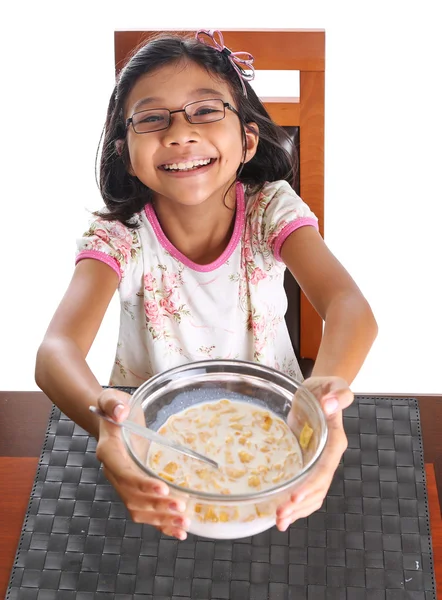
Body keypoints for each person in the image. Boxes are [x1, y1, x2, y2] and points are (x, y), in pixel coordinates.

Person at [35, 29, 378, 541]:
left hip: (278, 429)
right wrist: (108, 420)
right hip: (151, 447)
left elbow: (351, 307)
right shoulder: (118, 237)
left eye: (205, 111)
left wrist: (318, 403)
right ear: (125, 153)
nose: (179, 134)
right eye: (152, 119)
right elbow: (54, 351)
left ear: (248, 140)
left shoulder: (270, 209)